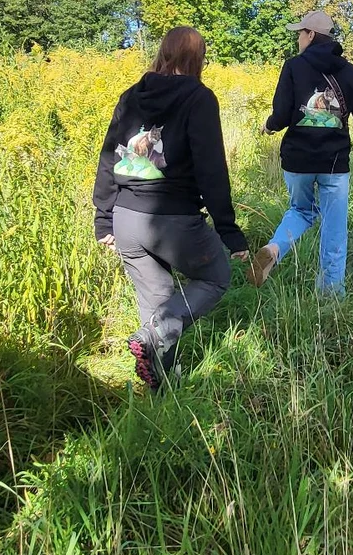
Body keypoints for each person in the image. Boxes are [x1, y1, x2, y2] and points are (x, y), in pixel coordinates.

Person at [93, 25, 249, 388]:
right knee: (215, 277)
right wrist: (229, 231)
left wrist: (104, 220)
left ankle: (163, 389)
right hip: (172, 220)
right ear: (197, 59)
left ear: (163, 54)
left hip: (126, 219)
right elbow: (211, 168)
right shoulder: (199, 98)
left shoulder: (131, 95)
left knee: (159, 299)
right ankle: (152, 338)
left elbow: (108, 159)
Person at [249, 10, 353, 295]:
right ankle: (331, 295)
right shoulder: (351, 72)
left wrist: (269, 127)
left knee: (301, 211)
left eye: (299, 33)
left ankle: (274, 248)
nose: (297, 38)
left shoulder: (293, 67)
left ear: (310, 35)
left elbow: (282, 115)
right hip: (334, 164)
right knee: (334, 227)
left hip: (297, 160)